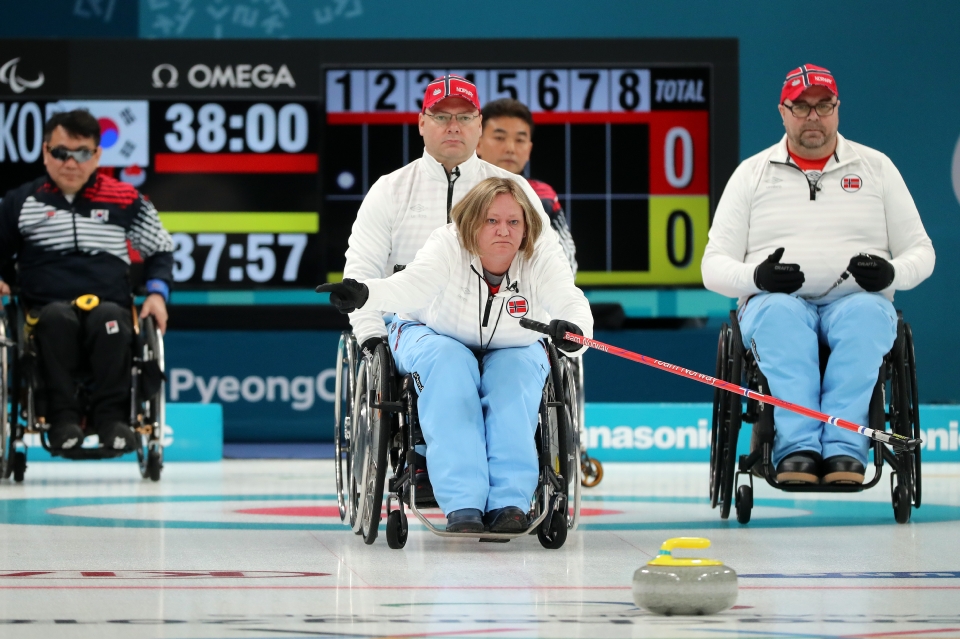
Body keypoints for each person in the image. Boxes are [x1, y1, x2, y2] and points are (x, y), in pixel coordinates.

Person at [701, 64, 934, 485]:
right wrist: (758, 278)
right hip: (776, 304)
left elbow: (923, 252)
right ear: (783, 111)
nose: (813, 116)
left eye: (823, 105)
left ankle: (845, 449)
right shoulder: (751, 174)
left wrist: (890, 271)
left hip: (858, 303)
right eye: (802, 107)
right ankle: (797, 449)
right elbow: (712, 267)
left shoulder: (876, 168)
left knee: (866, 316)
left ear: (837, 109)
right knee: (779, 317)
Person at [320, 177, 593, 533]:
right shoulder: (448, 243)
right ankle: (463, 502)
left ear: (527, 227)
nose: (503, 231)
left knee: (514, 381)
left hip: (514, 343)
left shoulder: (540, 251)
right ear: (471, 222)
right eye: (491, 221)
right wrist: (365, 294)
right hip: (433, 333)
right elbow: (412, 285)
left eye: (514, 222)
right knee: (450, 365)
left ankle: (509, 503)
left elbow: (568, 296)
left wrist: (575, 330)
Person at [0, 109, 174, 452]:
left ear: (96, 155)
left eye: (82, 153)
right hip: (44, 310)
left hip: (109, 306)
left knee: (110, 320)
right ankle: (62, 421)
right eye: (61, 152)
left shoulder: (126, 199)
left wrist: (157, 293)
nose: (70, 163)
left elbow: (160, 251)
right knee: (56, 320)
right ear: (45, 151)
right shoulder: (20, 202)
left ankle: (113, 420)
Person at [476, 98, 578, 275]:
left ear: (529, 149)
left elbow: (567, 266)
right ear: (477, 143)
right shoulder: (458, 192)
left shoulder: (544, 197)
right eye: (499, 137)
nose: (510, 148)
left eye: (520, 140)